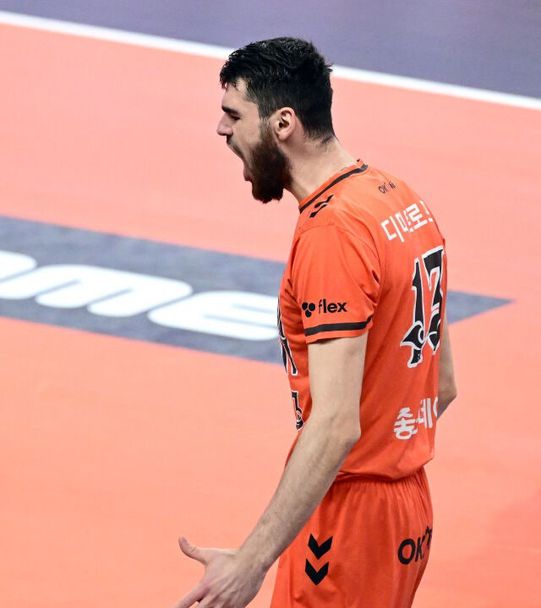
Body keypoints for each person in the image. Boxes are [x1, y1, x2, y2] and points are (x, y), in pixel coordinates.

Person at [174, 37, 457, 608]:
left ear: (283, 123)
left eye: (234, 115)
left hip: (350, 523)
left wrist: (250, 561)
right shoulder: (397, 198)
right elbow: (442, 384)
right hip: (405, 509)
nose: (222, 129)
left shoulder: (333, 233)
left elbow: (334, 425)